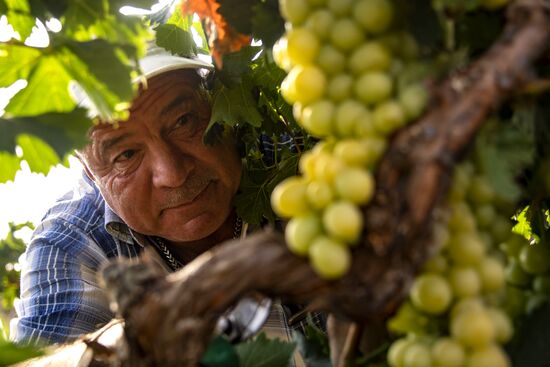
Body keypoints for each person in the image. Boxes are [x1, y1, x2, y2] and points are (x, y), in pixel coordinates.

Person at [10, 48, 322, 349]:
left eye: (183, 122)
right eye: (126, 155)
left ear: (217, 103)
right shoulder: (71, 242)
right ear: (90, 174)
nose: (173, 174)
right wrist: (141, 337)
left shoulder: (300, 160)